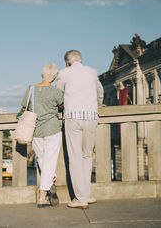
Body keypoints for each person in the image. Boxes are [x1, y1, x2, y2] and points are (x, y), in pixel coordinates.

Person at [56, 50, 104, 209]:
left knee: (75, 157)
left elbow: (58, 95)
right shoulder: (92, 72)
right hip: (91, 116)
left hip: (73, 116)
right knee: (87, 156)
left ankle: (80, 198)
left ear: (67, 63)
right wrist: (97, 104)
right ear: (81, 61)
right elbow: (100, 92)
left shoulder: (64, 73)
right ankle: (87, 193)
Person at [20, 63, 64, 207]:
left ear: (42, 74)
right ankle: (42, 196)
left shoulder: (31, 89)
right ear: (54, 76)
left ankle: (49, 182)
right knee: (49, 162)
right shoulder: (55, 91)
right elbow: (63, 106)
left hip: (36, 130)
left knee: (42, 160)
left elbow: (23, 108)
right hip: (52, 129)